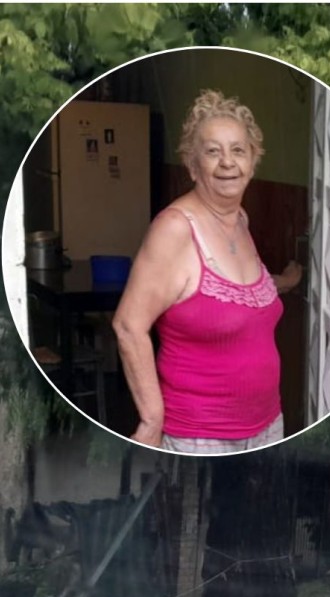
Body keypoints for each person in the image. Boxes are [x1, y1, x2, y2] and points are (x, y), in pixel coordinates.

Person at [113, 89, 303, 453]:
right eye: (213, 152)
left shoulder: (240, 220)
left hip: (267, 426)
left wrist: (285, 282)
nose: (228, 162)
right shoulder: (175, 230)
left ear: (253, 161)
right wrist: (151, 420)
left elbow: (237, 294)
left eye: (238, 150)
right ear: (192, 165)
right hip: (201, 438)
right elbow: (127, 325)